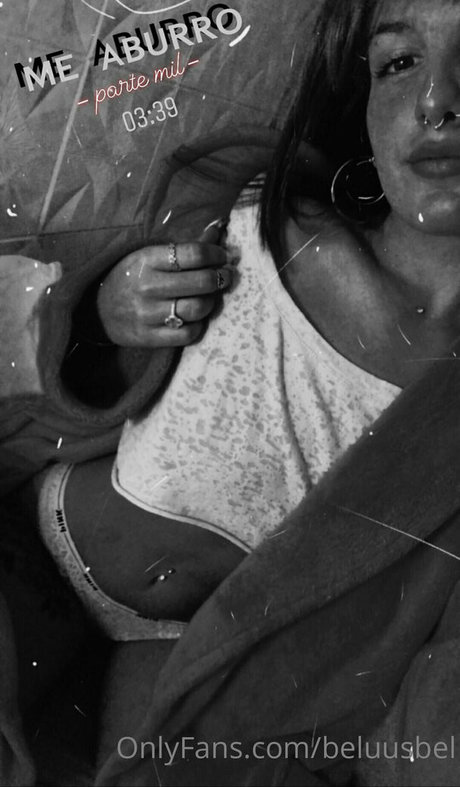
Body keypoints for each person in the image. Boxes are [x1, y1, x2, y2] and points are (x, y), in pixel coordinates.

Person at [11, 0, 460, 782]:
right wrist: (110, 311)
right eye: (397, 63)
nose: (436, 99)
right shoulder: (262, 215)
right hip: (42, 544)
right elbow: (75, 355)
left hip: (199, 657)